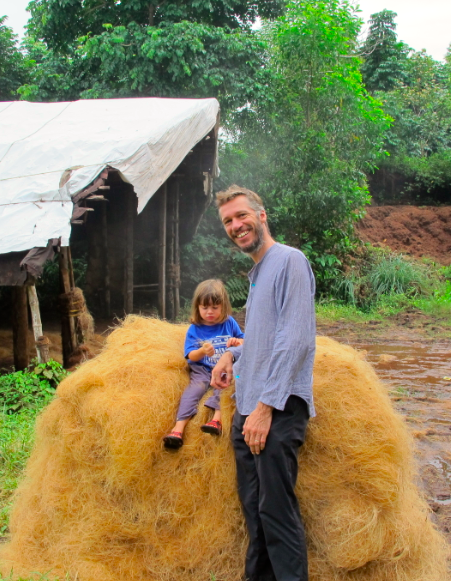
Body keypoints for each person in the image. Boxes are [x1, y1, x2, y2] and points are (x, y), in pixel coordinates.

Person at [211, 186, 316, 581]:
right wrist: (231, 355)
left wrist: (265, 408)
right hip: (248, 408)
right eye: (228, 222)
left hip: (276, 409)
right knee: (256, 515)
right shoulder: (258, 273)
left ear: (261, 215)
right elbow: (263, 338)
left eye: (241, 216)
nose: (236, 226)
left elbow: (296, 339)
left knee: (276, 513)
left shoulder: (289, 261)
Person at [163, 279, 244, 450]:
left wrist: (237, 342)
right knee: (194, 391)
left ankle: (217, 419)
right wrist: (202, 352)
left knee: (227, 384)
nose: (209, 312)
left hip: (223, 368)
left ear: (223, 306)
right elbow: (190, 354)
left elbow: (244, 340)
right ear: (197, 307)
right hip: (202, 369)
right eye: (204, 307)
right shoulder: (195, 329)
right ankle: (178, 429)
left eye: (215, 308)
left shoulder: (229, 322)